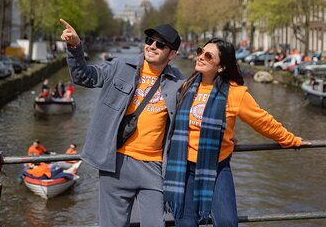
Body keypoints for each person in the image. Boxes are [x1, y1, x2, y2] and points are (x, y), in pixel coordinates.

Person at [163, 37, 309, 227]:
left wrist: (291, 140)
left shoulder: (235, 93)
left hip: (216, 167)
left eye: (208, 56)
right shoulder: (186, 87)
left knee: (227, 222)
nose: (200, 57)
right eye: (200, 52)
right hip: (184, 167)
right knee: (186, 223)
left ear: (222, 66)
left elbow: (263, 122)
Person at [60, 18, 185, 226]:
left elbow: (192, 116)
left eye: (160, 44)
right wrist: (74, 47)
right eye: (149, 40)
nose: (152, 46)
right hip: (115, 164)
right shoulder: (120, 67)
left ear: (172, 54)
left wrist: (224, 136)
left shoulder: (179, 82)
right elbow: (84, 77)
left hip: (154, 168)